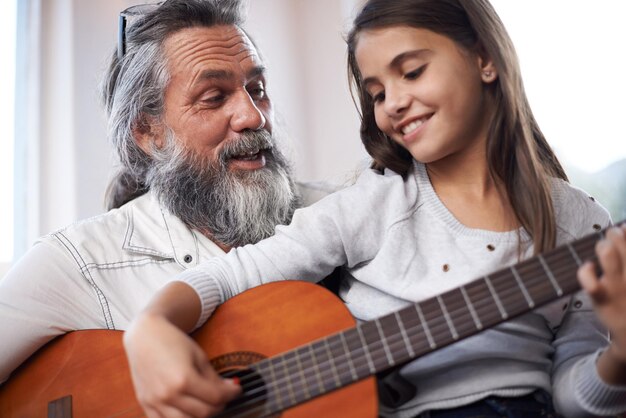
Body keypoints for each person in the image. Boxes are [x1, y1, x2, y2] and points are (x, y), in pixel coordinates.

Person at [123, 0, 626, 417]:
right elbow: (235, 275)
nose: (394, 104)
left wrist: (621, 353)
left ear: (485, 58)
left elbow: (573, 398)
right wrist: (154, 325)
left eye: (412, 72)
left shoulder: (584, 224)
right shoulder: (376, 202)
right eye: (377, 92)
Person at [0, 0, 338, 386]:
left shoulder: (338, 214)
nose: (253, 116)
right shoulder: (79, 264)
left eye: (256, 89)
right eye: (214, 97)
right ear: (147, 132)